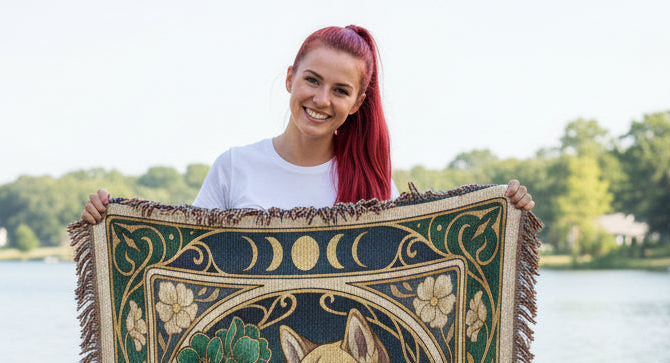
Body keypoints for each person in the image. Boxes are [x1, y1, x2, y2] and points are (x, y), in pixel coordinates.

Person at [81, 25, 534, 222]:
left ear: (357, 103)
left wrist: (501, 209)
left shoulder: (375, 186)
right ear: (289, 80)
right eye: (312, 81)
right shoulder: (234, 167)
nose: (321, 100)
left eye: (340, 90)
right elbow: (184, 265)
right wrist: (112, 220)